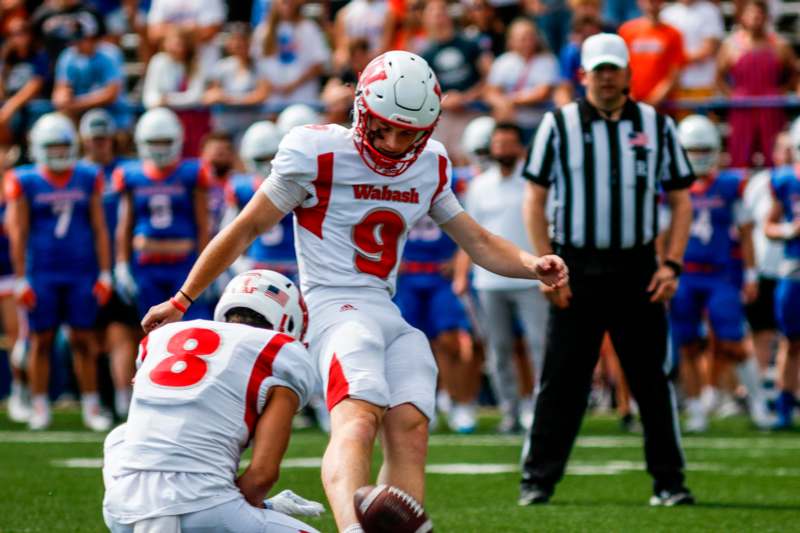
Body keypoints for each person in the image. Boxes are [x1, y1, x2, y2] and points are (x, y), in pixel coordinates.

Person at [140, 50, 568, 532]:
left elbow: (480, 242)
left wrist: (533, 263)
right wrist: (182, 299)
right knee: (359, 419)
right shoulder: (317, 151)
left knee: (412, 428)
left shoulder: (430, 163)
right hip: (332, 306)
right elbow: (244, 229)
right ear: (361, 109)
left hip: (386, 308)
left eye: (408, 133)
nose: (393, 142)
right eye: (384, 127)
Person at [520, 33, 694, 506]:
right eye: (599, 69)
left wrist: (671, 263)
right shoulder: (560, 125)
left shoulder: (656, 124)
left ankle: (669, 481)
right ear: (584, 74)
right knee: (562, 378)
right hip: (576, 266)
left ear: (628, 72)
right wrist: (544, 266)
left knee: (651, 380)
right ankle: (538, 478)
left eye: (614, 67)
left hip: (637, 266)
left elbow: (681, 200)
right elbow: (533, 198)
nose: (607, 76)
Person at [102, 269, 324, 533]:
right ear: (289, 321)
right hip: (202, 510)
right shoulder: (279, 353)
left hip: (122, 509)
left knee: (120, 436)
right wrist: (261, 507)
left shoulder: (163, 337)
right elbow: (262, 475)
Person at [5, 112, 113, 431]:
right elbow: (18, 232)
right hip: (43, 272)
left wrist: (105, 272)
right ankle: (40, 405)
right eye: (50, 147)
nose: (57, 153)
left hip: (80, 271)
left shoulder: (87, 176)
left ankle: (91, 405)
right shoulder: (25, 179)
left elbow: (99, 227)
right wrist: (21, 276)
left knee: (83, 339)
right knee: (41, 340)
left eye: (62, 146)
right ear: (37, 147)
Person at [671, 114, 772, 432]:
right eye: (692, 149)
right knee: (686, 344)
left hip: (720, 274)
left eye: (704, 149)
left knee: (732, 342)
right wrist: (663, 268)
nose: (699, 156)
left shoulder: (730, 185)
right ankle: (697, 407)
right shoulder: (672, 186)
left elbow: (745, 231)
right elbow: (662, 233)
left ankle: (757, 402)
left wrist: (752, 274)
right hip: (683, 273)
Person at [454, 122, 549, 433]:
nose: (503, 150)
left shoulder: (534, 182)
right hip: (488, 281)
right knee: (499, 350)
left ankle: (539, 410)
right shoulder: (480, 186)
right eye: (498, 144)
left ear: (519, 147)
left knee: (539, 346)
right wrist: (461, 273)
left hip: (530, 278)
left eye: (509, 143)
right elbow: (472, 236)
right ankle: (510, 412)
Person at [113, 107, 211, 322]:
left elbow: (203, 224)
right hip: (147, 263)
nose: (160, 149)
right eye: (154, 142)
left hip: (183, 261)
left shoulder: (192, 172)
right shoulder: (131, 174)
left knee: (189, 328)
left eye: (165, 142)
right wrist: (121, 263)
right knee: (152, 329)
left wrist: (207, 266)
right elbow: (125, 224)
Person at [79, 108, 139, 418]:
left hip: (123, 266)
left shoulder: (127, 172)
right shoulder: (76, 174)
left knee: (122, 331)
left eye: (103, 138)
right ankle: (94, 399)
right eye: (94, 139)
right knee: (86, 337)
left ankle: (121, 398)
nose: (99, 144)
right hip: (82, 267)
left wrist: (122, 262)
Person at [717, 0, 796, 168]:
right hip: (742, 107)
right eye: (751, 13)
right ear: (743, 17)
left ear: (766, 17)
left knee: (774, 156)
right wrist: (732, 96)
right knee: (739, 157)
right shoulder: (731, 45)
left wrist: (782, 91)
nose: (755, 18)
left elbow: (794, 72)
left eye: (759, 14)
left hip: (771, 107)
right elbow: (719, 77)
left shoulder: (780, 45)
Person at [764, 125, 800, 429]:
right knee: (791, 340)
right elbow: (769, 226)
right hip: (795, 265)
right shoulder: (786, 180)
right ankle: (785, 407)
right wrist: (791, 230)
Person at [228, 121, 296, 279]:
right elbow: (229, 230)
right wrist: (240, 264)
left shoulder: (297, 185)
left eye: (271, 157)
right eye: (261, 159)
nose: (267, 165)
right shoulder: (241, 188)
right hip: (258, 265)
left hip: (295, 266)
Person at [484, 18, 559, 141]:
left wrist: (510, 101)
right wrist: (501, 103)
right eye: (521, 38)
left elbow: (542, 93)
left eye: (529, 37)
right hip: (511, 125)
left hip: (538, 123)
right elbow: (490, 92)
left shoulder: (547, 61)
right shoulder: (503, 62)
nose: (526, 42)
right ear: (511, 40)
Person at [142, 26, 210, 157]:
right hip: (165, 120)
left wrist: (167, 100)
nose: (174, 47)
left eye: (179, 43)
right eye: (171, 42)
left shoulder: (196, 64)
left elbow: (195, 97)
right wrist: (156, 102)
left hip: (191, 123)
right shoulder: (158, 61)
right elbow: (150, 95)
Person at [51, 18, 130, 130]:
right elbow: (59, 92)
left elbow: (111, 94)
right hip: (79, 114)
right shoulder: (67, 56)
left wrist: (76, 105)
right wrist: (62, 97)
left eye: (80, 39)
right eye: (73, 40)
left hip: (112, 115)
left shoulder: (110, 54)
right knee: (57, 124)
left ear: (93, 38)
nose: (75, 44)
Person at [252, 0, 330, 108]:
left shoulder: (309, 28)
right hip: (272, 103)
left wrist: (292, 85)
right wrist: (273, 86)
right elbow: (258, 66)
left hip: (304, 100)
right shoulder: (263, 31)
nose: (287, 4)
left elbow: (319, 64)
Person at [204, 24, 271, 142]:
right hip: (224, 128)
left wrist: (229, 98)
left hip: (249, 127)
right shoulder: (221, 66)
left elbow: (261, 95)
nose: (238, 44)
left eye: (242, 40)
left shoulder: (260, 66)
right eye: (234, 40)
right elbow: (210, 96)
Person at [618, 0, 685, 108]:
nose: (652, 5)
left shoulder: (674, 34)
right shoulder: (626, 31)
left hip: (663, 105)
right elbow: (622, 66)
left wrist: (655, 98)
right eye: (649, 1)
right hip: (631, 102)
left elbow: (675, 74)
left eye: (656, 1)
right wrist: (629, 93)